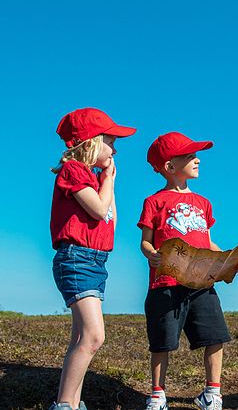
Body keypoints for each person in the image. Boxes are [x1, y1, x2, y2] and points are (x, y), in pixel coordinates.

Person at [137, 132, 238, 410]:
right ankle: (158, 394)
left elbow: (207, 241)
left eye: (196, 155)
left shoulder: (204, 203)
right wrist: (153, 256)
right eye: (189, 156)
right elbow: (146, 242)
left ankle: (212, 393)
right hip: (166, 283)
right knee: (162, 342)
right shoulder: (154, 202)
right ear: (169, 167)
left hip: (202, 283)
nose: (197, 160)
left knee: (215, 336)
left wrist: (227, 260)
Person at [49, 108, 136, 410]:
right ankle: (63, 405)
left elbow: (110, 220)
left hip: (94, 261)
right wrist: (109, 179)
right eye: (111, 141)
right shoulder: (73, 171)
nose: (115, 149)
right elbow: (99, 210)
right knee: (93, 337)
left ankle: (72, 403)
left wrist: (105, 180)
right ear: (90, 143)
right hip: (78, 259)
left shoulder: (90, 176)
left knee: (81, 339)